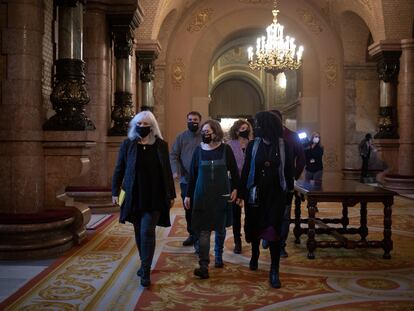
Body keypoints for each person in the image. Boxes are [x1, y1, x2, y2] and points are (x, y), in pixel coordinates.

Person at [112, 111, 176, 288]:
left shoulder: (161, 145)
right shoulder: (128, 145)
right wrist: (114, 192)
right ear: (135, 126)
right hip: (133, 194)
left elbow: (167, 172)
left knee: (147, 230)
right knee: (139, 231)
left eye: (145, 124)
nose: (142, 127)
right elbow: (119, 169)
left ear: (152, 126)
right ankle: (143, 261)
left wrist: (172, 194)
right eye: (139, 124)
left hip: (155, 195)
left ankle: (146, 270)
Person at [241, 111, 294, 288]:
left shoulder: (284, 145)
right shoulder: (252, 145)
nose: (255, 128)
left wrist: (289, 196)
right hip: (255, 195)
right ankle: (255, 255)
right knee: (255, 227)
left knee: (273, 232)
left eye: (258, 124)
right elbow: (246, 170)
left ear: (268, 126)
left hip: (276, 196)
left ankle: (274, 269)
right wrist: (241, 193)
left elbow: (288, 172)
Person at [184, 120, 239, 279]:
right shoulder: (198, 151)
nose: (205, 134)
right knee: (204, 231)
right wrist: (188, 195)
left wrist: (236, 189)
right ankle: (203, 265)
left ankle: (219, 256)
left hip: (221, 195)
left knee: (220, 228)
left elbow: (234, 173)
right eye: (203, 131)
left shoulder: (225, 149)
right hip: (202, 197)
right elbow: (192, 176)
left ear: (216, 132)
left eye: (208, 131)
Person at [270, 110, 305, 258]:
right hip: (269, 183)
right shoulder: (266, 135)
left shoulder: (292, 136)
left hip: (286, 183)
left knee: (285, 215)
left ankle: (281, 245)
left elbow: (301, 158)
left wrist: (294, 176)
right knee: (269, 212)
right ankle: (269, 236)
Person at [170, 111, 202, 249]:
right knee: (188, 207)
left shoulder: (204, 136)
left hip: (201, 179)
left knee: (200, 207)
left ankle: (199, 237)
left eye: (195, 119)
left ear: (200, 121)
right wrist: (176, 170)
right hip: (186, 180)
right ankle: (192, 234)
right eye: (190, 119)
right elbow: (174, 155)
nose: (192, 122)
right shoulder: (181, 137)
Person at [227, 119, 253, 254]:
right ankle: (237, 241)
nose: (245, 130)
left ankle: (249, 232)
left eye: (247, 128)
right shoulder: (230, 145)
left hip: (249, 183)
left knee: (250, 211)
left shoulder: (253, 144)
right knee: (235, 214)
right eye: (242, 128)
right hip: (235, 183)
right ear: (237, 131)